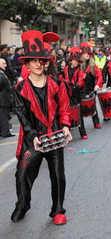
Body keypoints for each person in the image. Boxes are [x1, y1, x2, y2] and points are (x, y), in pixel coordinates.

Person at [11, 30, 72, 224]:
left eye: (42, 60)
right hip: (33, 140)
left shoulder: (56, 83)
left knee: (57, 174)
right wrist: (33, 135)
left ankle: (58, 209)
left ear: (46, 63)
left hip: (54, 137)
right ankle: (22, 205)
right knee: (22, 174)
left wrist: (65, 126)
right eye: (34, 60)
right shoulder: (19, 89)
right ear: (27, 64)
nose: (39, 63)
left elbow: (64, 107)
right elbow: (22, 116)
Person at [59, 47, 87, 139]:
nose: (75, 62)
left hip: (76, 93)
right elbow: (62, 79)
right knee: (67, 112)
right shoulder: (65, 69)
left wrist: (76, 85)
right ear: (71, 61)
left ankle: (83, 133)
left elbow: (81, 81)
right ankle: (67, 132)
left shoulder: (80, 70)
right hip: (66, 93)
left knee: (78, 113)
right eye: (74, 60)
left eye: (77, 61)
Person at [80, 43, 103, 129]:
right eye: (85, 53)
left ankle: (96, 122)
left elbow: (99, 76)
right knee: (80, 108)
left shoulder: (93, 66)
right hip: (80, 89)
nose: (87, 55)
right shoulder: (79, 66)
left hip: (91, 89)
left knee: (93, 105)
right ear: (81, 54)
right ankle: (80, 126)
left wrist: (97, 85)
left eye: (88, 53)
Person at [0, 58, 14, 138]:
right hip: (3, 99)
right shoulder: (1, 73)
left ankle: (4, 132)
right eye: (4, 63)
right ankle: (5, 132)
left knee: (3, 116)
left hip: (3, 99)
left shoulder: (1, 73)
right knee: (4, 117)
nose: (6, 65)